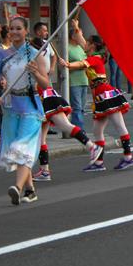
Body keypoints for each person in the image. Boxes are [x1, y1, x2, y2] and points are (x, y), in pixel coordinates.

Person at [0, 16, 49, 205]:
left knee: (23, 148)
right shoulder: (2, 56)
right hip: (11, 107)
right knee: (14, 148)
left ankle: (17, 188)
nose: (14, 32)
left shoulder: (36, 54)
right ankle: (30, 189)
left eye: (18, 28)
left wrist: (36, 73)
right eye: (11, 29)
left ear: (26, 31)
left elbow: (45, 84)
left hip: (30, 106)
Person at [29, 29, 102, 181]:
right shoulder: (40, 57)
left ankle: (92, 147)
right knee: (41, 139)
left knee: (65, 126)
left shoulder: (37, 59)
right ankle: (44, 171)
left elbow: (42, 80)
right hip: (43, 98)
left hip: (47, 98)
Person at [59, 35, 133, 171]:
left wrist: (69, 65)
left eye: (87, 43)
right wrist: (77, 30)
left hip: (106, 95)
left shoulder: (95, 58)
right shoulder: (95, 55)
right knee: (97, 130)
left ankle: (128, 157)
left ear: (92, 45)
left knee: (119, 126)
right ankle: (99, 162)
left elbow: (82, 64)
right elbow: (83, 45)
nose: (84, 44)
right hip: (99, 98)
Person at [67, 22, 89, 129]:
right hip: (74, 81)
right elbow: (66, 66)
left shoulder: (81, 47)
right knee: (77, 107)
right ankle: (79, 130)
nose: (81, 36)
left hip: (84, 80)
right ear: (73, 36)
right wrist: (80, 65)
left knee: (82, 108)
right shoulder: (67, 48)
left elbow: (87, 58)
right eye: (79, 34)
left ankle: (78, 128)